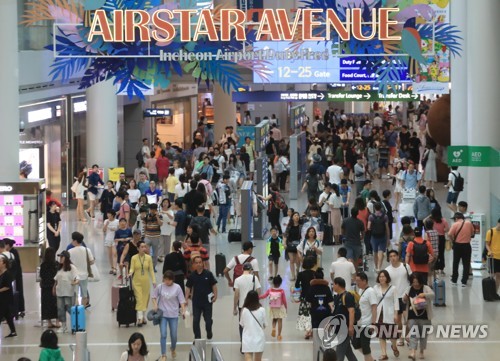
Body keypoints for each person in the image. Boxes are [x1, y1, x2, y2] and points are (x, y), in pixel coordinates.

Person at [152, 271, 186, 361]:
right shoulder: (160, 287)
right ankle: (163, 354)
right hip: (163, 315)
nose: (166, 281)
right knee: (163, 334)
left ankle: (173, 348)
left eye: (168, 280)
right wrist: (155, 304)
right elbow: (154, 296)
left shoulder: (177, 288)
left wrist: (183, 310)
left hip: (173, 314)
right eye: (165, 279)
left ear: (172, 280)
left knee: (174, 335)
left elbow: (182, 300)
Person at [185, 255, 218, 339]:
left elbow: (214, 285)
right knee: (196, 321)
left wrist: (215, 296)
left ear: (203, 263)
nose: (199, 264)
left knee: (208, 321)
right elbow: (188, 287)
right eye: (196, 263)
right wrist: (186, 299)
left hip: (207, 301)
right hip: (196, 302)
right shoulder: (192, 276)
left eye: (200, 262)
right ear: (193, 265)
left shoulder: (208, 274)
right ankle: (197, 338)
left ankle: (209, 331)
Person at [403, 274, 434, 360]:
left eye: (417, 282)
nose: (415, 284)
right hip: (412, 316)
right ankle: (413, 352)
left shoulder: (425, 288)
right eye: (413, 282)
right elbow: (403, 299)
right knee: (413, 334)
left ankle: (421, 351)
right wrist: (405, 298)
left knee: (423, 335)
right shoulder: (409, 289)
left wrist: (424, 294)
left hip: (425, 316)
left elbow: (432, 295)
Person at [385, 250, 411, 347]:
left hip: (406, 296)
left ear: (398, 256)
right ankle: (401, 338)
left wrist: (408, 293)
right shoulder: (387, 270)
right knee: (398, 321)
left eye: (394, 256)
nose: (393, 258)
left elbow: (411, 280)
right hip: (395, 298)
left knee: (407, 318)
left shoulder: (405, 267)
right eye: (390, 256)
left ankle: (408, 336)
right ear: (388, 258)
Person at [129, 241, 157, 326]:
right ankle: (140, 318)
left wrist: (154, 280)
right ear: (137, 248)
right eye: (141, 247)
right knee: (139, 299)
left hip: (145, 282)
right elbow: (132, 268)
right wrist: (130, 273)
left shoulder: (148, 258)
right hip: (136, 282)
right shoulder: (134, 258)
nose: (144, 248)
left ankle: (143, 317)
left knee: (145, 299)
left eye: (144, 247)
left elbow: (151, 270)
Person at [374, 270, 400, 360]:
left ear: (387, 278)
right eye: (380, 276)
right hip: (379, 315)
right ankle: (384, 354)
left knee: (392, 335)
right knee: (381, 335)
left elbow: (396, 302)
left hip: (389, 314)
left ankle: (394, 346)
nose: (381, 278)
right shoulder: (375, 288)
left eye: (383, 276)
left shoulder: (393, 288)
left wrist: (396, 314)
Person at [234, 263, 262, 343]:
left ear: (242, 269)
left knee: (242, 324)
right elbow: (258, 291)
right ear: (250, 270)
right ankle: (252, 341)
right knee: (252, 322)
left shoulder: (237, 280)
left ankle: (243, 342)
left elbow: (236, 295)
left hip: (242, 306)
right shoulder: (254, 278)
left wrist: (234, 308)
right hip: (253, 305)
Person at [353, 272, 378, 361]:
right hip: (359, 322)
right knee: (355, 344)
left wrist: (373, 323)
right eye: (356, 281)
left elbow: (374, 308)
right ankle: (371, 359)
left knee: (365, 345)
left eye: (359, 281)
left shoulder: (370, 291)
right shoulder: (360, 290)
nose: (357, 283)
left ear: (365, 281)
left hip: (367, 323)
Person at [332, 277, 358, 361]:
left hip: (345, 329)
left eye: (333, 284)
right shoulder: (337, 297)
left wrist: (350, 327)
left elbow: (351, 311)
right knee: (349, 353)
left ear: (337, 285)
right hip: (339, 329)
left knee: (339, 355)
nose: (333, 286)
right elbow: (336, 313)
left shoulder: (347, 296)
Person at [54, 250, 79, 334]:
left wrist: (75, 282)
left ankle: (75, 326)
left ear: (66, 258)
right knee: (60, 309)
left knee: (70, 309)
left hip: (69, 292)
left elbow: (77, 278)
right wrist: (54, 288)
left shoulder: (72, 267)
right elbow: (56, 279)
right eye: (60, 257)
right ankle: (63, 326)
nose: (60, 258)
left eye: (62, 257)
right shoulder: (59, 268)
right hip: (60, 292)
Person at [448, 212, 475, 287]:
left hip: (457, 246)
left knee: (455, 262)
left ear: (456, 218)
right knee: (466, 263)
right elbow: (472, 234)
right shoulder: (469, 223)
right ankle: (464, 281)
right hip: (467, 245)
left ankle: (454, 280)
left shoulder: (455, 224)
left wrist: (453, 240)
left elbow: (449, 234)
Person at [68, 232, 93, 308]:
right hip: (84, 275)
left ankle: (76, 309)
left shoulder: (70, 251)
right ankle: (83, 309)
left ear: (75, 241)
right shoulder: (87, 250)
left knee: (75, 294)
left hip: (74, 276)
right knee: (84, 294)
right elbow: (91, 261)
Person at [240, 290, 267, 361]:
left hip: (247, 338)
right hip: (259, 338)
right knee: (258, 359)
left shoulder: (244, 310)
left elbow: (242, 324)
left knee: (248, 357)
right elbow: (264, 325)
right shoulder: (262, 310)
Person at [259, 275, 287, 341]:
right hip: (280, 307)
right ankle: (279, 335)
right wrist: (286, 307)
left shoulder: (270, 290)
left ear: (273, 283)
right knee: (280, 320)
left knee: (274, 319)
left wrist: (258, 297)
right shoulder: (282, 291)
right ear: (280, 283)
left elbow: (264, 296)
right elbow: (284, 300)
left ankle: (273, 328)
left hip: (273, 307)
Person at [295, 256, 316, 339]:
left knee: (305, 314)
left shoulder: (301, 274)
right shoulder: (315, 273)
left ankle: (307, 331)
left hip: (304, 297)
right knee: (313, 313)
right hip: (314, 296)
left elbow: (297, 285)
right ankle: (311, 330)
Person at [367, 202, 390, 273]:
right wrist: (388, 238)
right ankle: (379, 267)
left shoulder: (371, 216)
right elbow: (387, 228)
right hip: (382, 236)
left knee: (375, 252)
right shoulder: (385, 216)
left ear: (374, 208)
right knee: (381, 251)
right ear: (381, 208)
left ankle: (376, 266)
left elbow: (368, 227)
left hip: (374, 236)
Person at [39, 247, 59, 328]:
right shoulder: (56, 264)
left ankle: (49, 322)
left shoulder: (43, 265)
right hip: (54, 286)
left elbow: (41, 275)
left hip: (45, 287)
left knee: (46, 303)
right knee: (56, 304)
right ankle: (58, 321)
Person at [142, 203, 163, 269]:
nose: (152, 211)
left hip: (156, 237)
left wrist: (157, 217)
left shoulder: (159, 216)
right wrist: (144, 235)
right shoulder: (146, 216)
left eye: (154, 209)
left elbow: (160, 224)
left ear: (156, 210)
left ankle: (153, 266)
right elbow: (145, 225)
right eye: (151, 209)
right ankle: (147, 265)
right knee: (146, 252)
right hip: (148, 236)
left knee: (155, 253)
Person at [0, 256, 17, 337]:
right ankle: (13, 331)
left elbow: (8, 286)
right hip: (1, 298)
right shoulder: (0, 273)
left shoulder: (7, 274)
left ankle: (13, 331)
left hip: (5, 298)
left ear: (4, 264)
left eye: (0, 261)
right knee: (7, 315)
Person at [283, 212, 303, 280]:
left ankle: (297, 271)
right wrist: (284, 243)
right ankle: (293, 275)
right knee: (291, 260)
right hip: (290, 244)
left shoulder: (301, 226)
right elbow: (285, 235)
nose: (296, 217)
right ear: (292, 217)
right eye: (295, 215)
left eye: (298, 215)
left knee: (298, 261)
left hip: (299, 245)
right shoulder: (289, 226)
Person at [485, 218, 500, 297]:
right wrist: (490, 251)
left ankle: (495, 293)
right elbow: (487, 244)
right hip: (492, 257)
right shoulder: (490, 231)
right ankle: (489, 292)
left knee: (499, 276)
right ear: (498, 223)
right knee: (492, 275)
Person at [103, 210, 119, 275]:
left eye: (110, 216)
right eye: (108, 216)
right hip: (108, 239)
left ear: (113, 215)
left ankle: (115, 268)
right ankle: (112, 267)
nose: (108, 217)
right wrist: (106, 225)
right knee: (110, 254)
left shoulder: (117, 221)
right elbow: (104, 230)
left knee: (114, 253)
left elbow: (119, 229)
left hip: (115, 239)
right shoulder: (106, 221)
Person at [158, 198, 175, 263]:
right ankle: (160, 256)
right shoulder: (159, 211)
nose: (165, 204)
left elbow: (172, 217)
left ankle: (167, 257)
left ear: (168, 204)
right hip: (160, 229)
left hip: (168, 230)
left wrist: (166, 213)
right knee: (160, 244)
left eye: (166, 202)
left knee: (167, 245)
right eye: (164, 202)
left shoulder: (170, 211)